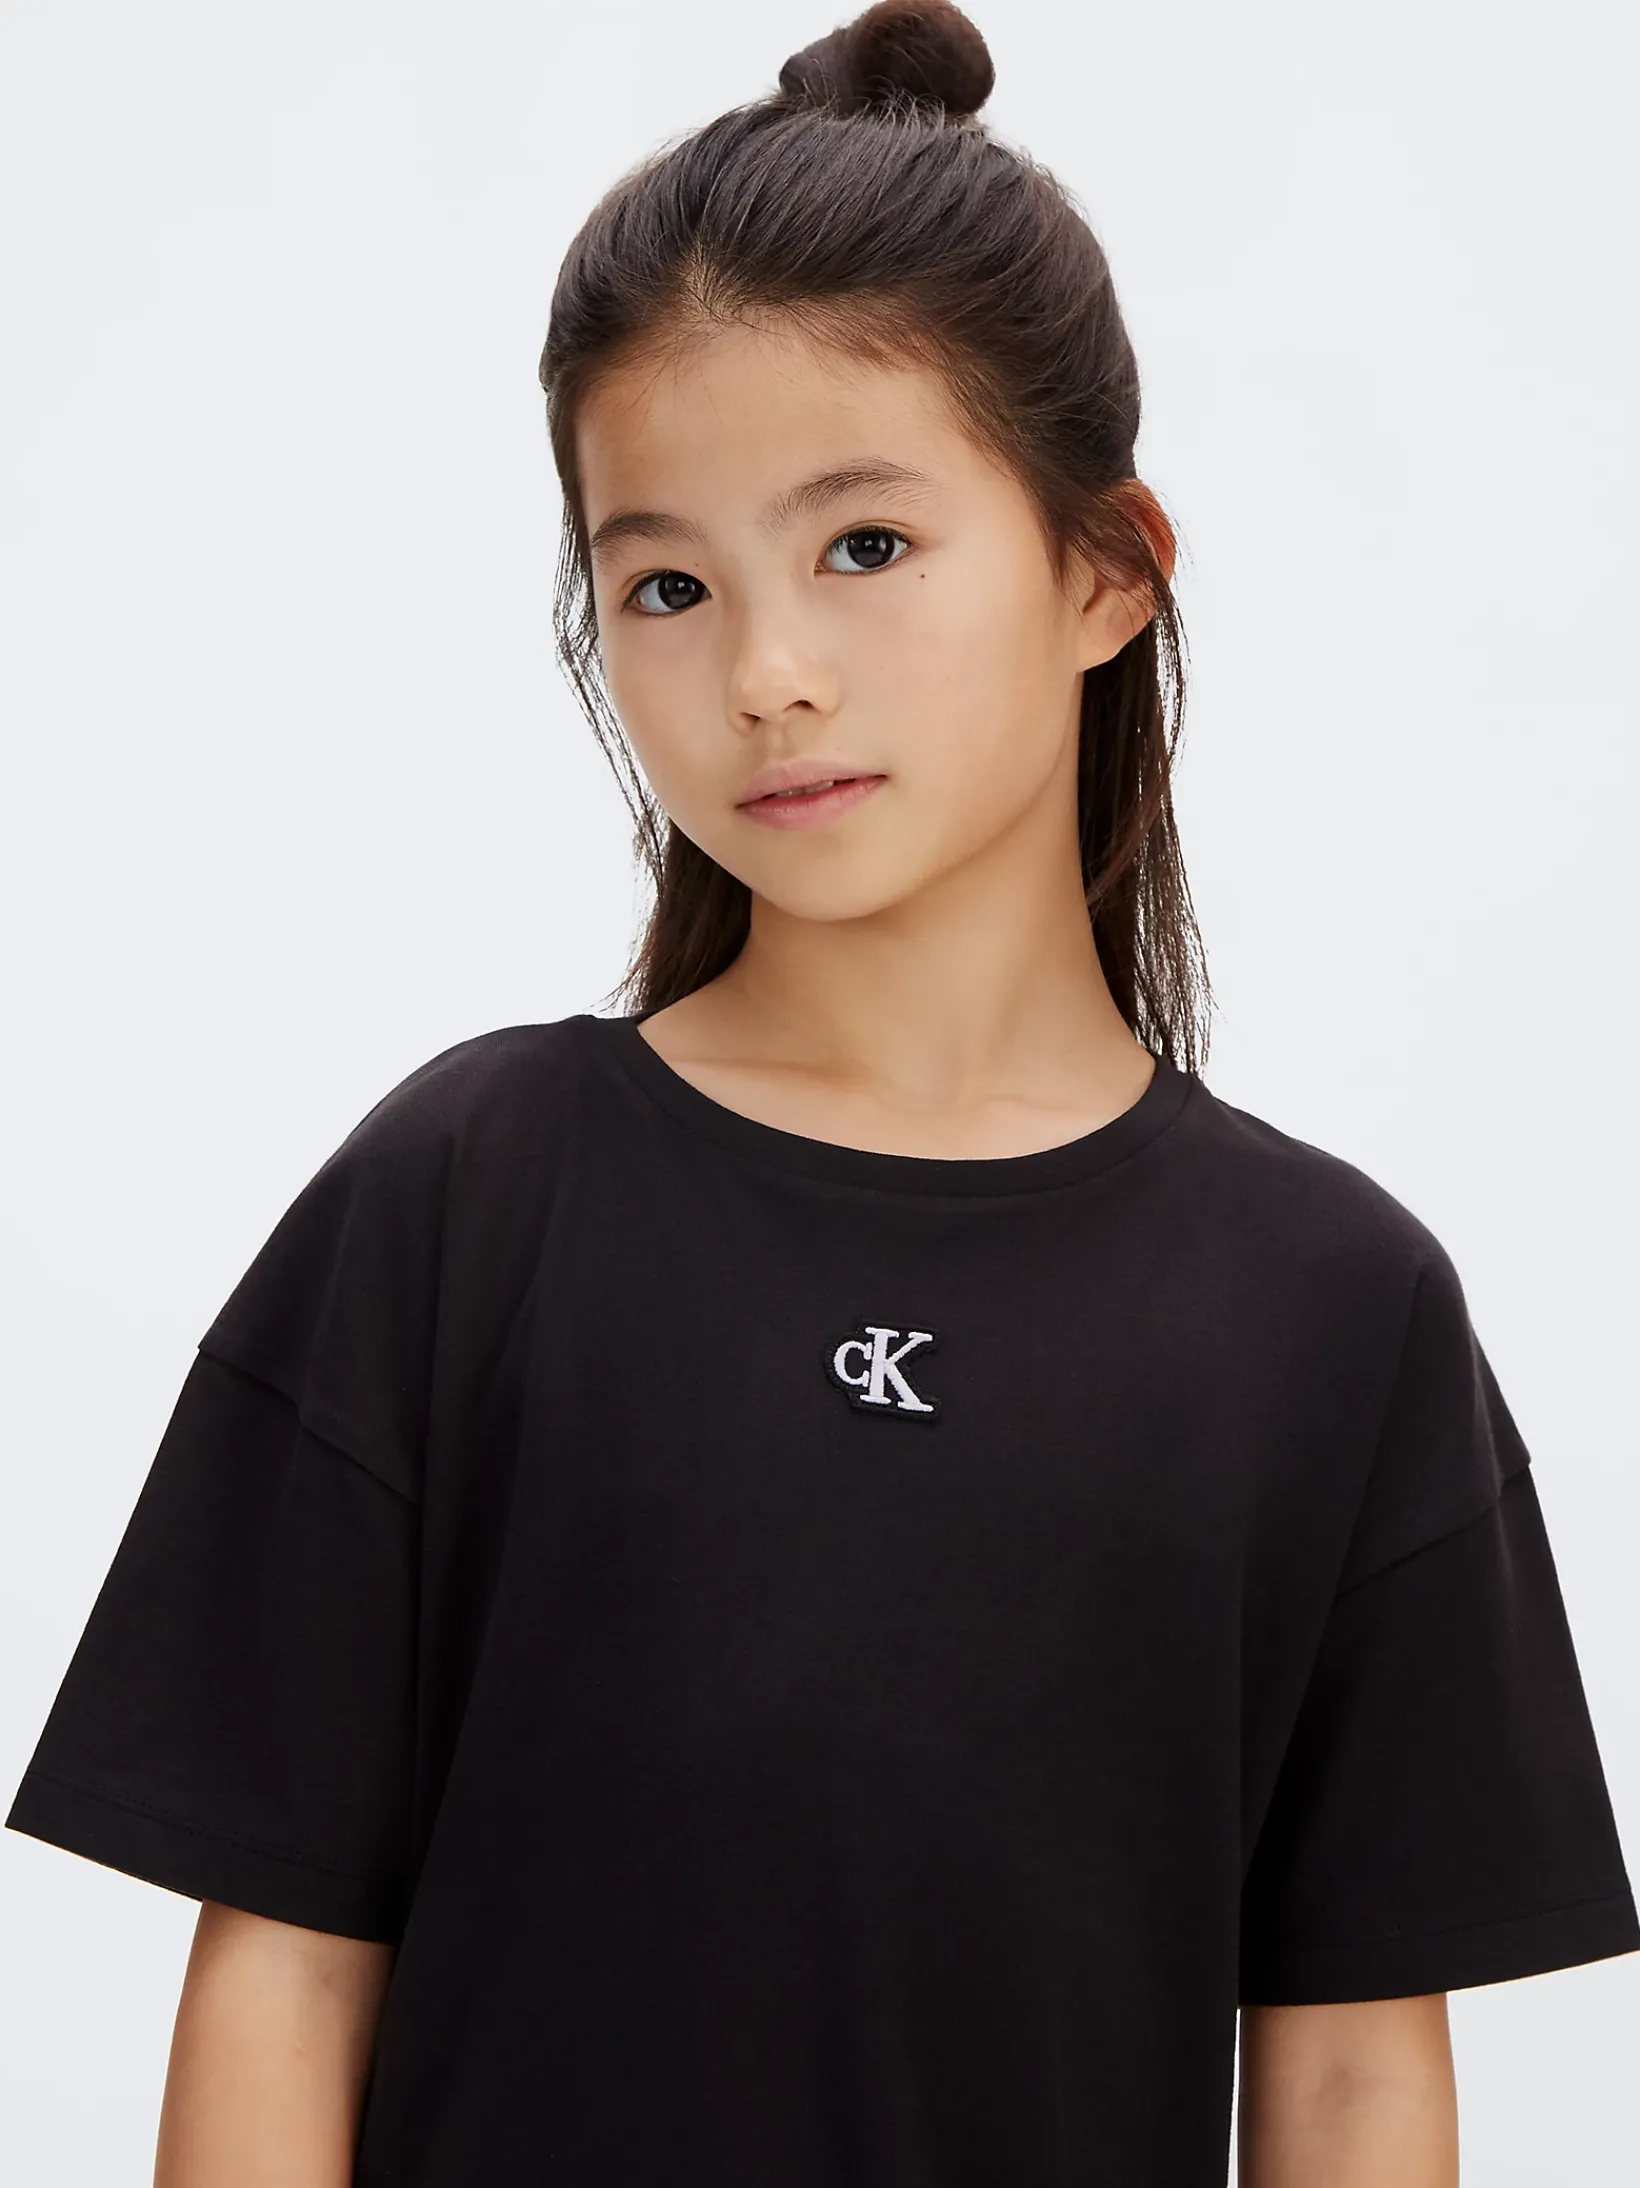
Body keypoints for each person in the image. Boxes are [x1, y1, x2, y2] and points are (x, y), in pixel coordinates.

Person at [7, 3, 1636, 2183]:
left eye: (864, 544)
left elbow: (1348, 2072)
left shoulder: (1334, 1310)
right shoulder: (469, 1199)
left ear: (1106, 568)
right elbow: (283, 1977)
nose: (764, 671)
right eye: (667, 583)